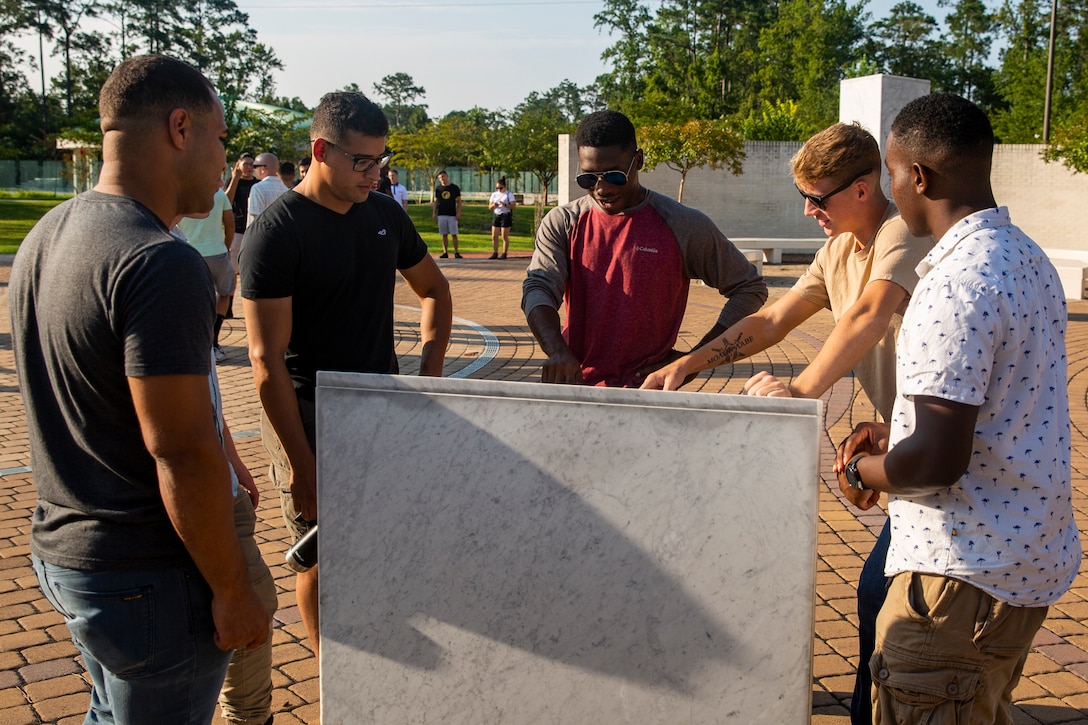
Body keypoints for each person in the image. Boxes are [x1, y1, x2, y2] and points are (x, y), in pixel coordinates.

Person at [639, 121, 932, 723]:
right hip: (906, 442)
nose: (808, 212)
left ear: (862, 186)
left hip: (943, 447)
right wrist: (690, 365)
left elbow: (869, 317)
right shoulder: (838, 248)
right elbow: (773, 320)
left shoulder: (900, 231)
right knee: (879, 597)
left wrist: (799, 389)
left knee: (890, 600)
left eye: (817, 198)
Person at [8, 53, 268, 724]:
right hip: (146, 578)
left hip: (71, 558)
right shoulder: (160, 261)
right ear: (180, 127)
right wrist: (232, 588)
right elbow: (180, 450)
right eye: (218, 136)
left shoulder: (47, 235)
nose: (224, 160)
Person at [837, 93, 1080, 723]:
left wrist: (860, 474)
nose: (892, 188)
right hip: (1021, 565)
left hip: (958, 585)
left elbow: (939, 459)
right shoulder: (1026, 258)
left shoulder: (953, 280)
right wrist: (901, 428)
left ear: (918, 176)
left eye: (891, 173)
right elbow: (1001, 401)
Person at [240, 90, 453, 659]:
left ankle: (372, 650)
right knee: (320, 553)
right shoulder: (277, 231)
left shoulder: (384, 214)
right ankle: (332, 676)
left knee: (380, 540)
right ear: (319, 151)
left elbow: (434, 289)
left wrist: (428, 373)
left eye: (380, 161)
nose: (373, 173)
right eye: (361, 161)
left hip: (379, 412)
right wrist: (302, 467)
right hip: (307, 416)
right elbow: (266, 361)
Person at [521, 109, 767, 388]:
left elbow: (749, 289)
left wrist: (693, 361)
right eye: (589, 178)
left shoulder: (682, 223)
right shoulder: (564, 222)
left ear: (638, 160)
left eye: (613, 176)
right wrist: (557, 351)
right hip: (577, 387)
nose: (601, 188)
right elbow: (538, 288)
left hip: (648, 392)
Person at [178, 186, 236, 362]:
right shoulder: (218, 194)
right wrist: (225, 246)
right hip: (216, 253)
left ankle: (196, 342)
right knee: (224, 295)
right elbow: (230, 224)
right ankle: (214, 342)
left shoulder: (181, 193)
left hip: (188, 252)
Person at [225, 152, 258, 274]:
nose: (249, 168)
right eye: (246, 164)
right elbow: (226, 202)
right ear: (239, 165)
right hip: (237, 229)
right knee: (232, 267)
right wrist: (235, 178)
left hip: (253, 228)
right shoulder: (232, 181)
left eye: (252, 165)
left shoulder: (257, 183)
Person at [247, 151, 289, 228]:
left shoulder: (258, 188)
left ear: (263, 168)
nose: (253, 169)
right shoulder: (286, 190)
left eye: (255, 166)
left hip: (260, 236)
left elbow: (256, 217)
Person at [433, 170, 462, 259]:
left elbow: (459, 202)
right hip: (442, 214)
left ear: (447, 176)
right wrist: (434, 212)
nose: (442, 179)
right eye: (440, 178)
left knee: (454, 234)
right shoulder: (438, 189)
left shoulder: (454, 188)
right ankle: (445, 252)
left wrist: (458, 213)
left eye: (443, 177)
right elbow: (436, 201)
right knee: (444, 234)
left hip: (452, 214)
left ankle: (456, 252)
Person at [488, 177, 516, 259]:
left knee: (504, 236)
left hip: (505, 215)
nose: (499, 190)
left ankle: (504, 253)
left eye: (501, 188)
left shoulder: (508, 194)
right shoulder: (494, 194)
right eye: (497, 188)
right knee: (494, 236)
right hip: (497, 215)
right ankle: (495, 252)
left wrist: (505, 205)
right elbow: (489, 206)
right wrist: (494, 205)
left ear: (504, 187)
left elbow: (513, 206)